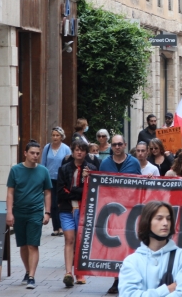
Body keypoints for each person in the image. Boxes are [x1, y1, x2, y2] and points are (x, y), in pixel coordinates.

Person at [118, 201, 182, 296]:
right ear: (147, 222)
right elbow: (128, 295)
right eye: (159, 218)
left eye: (168, 219)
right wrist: (166, 290)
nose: (165, 223)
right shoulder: (131, 261)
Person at [6, 140, 52, 290]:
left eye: (37, 153)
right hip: (19, 211)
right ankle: (27, 270)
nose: (35, 156)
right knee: (23, 244)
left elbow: (47, 193)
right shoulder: (15, 170)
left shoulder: (43, 171)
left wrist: (47, 212)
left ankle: (31, 276)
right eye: (32, 153)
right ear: (25, 153)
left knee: (33, 244)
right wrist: (9, 213)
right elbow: (10, 193)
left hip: (35, 212)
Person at [100, 134, 142, 294]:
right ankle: (117, 280)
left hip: (130, 211)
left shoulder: (133, 162)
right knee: (115, 248)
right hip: (111, 213)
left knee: (129, 247)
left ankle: (129, 279)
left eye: (119, 144)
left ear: (125, 144)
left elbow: (140, 185)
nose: (117, 147)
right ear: (111, 146)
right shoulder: (105, 164)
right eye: (114, 145)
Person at [57, 139, 97, 287]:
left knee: (80, 241)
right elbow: (60, 192)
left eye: (82, 149)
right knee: (69, 239)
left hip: (84, 210)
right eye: (76, 149)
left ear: (86, 152)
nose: (79, 152)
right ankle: (68, 272)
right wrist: (77, 192)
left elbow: (92, 191)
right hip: (67, 209)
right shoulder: (64, 169)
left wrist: (85, 181)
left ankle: (79, 272)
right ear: (72, 152)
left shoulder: (91, 168)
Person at [40, 126, 71, 237]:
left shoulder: (66, 149)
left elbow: (69, 164)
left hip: (61, 180)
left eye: (57, 135)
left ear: (61, 137)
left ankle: (62, 227)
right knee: (51, 204)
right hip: (49, 179)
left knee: (60, 203)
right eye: (53, 135)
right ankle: (55, 228)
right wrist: (41, 178)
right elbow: (43, 164)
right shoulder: (47, 148)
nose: (55, 137)